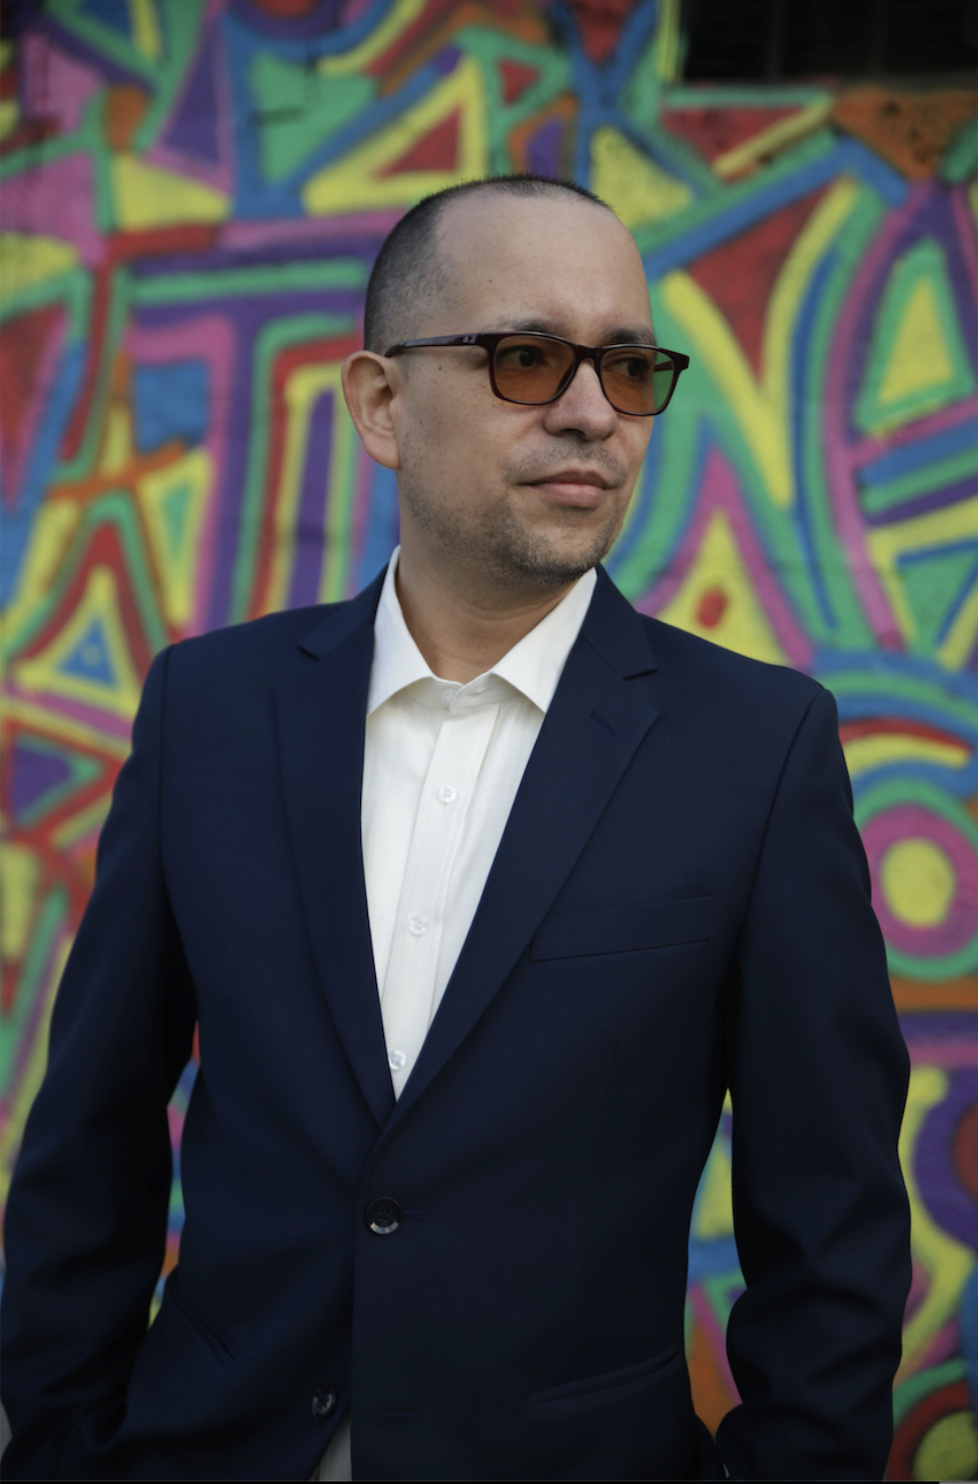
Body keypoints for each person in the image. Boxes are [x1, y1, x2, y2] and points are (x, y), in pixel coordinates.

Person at [1, 175, 910, 1481]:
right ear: (381, 403)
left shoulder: (756, 751)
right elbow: (90, 1141)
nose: (591, 412)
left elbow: (831, 1223)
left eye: (628, 368)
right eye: (527, 357)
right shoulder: (208, 711)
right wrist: (61, 1449)